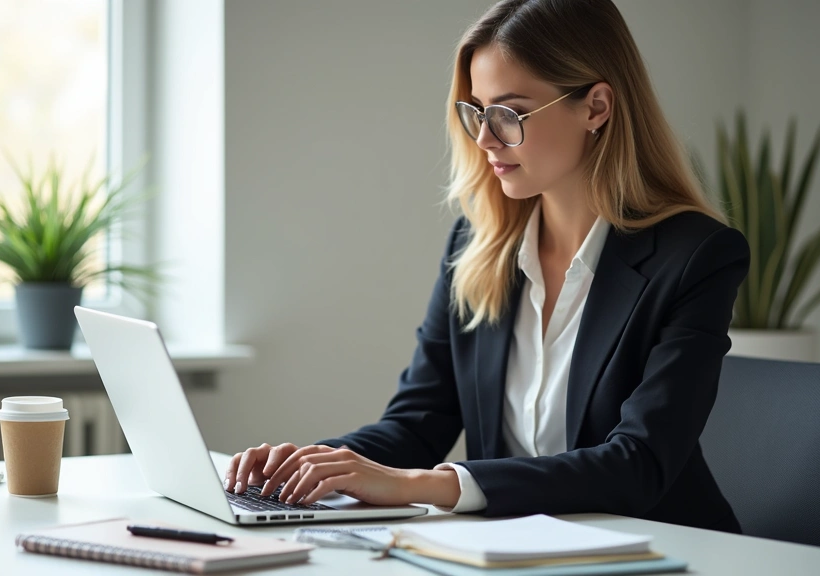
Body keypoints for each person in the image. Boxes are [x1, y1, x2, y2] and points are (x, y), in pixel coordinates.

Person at [226, 0, 749, 533]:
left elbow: (638, 463)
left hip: (666, 549)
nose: (484, 139)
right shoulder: (475, 247)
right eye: (476, 111)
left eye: (510, 113)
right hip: (516, 550)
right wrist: (306, 466)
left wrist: (420, 485)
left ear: (596, 107)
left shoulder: (696, 256)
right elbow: (416, 424)